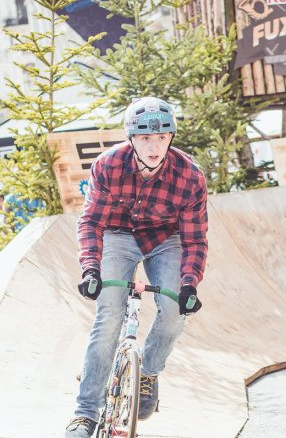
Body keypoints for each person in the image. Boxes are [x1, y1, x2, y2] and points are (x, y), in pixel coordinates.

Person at [65, 97, 208, 438]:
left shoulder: (190, 176)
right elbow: (90, 222)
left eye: (161, 137)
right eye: (145, 138)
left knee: (175, 312)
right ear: (131, 137)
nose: (154, 146)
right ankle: (85, 414)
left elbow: (195, 240)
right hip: (117, 235)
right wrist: (90, 269)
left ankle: (148, 375)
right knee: (109, 317)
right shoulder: (109, 165)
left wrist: (189, 284)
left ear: (171, 137)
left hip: (166, 238)